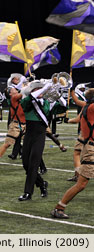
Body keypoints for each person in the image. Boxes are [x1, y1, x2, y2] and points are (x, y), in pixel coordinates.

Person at [50, 88, 94, 219]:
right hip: (91, 150)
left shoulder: (88, 106)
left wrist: (72, 92)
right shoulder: (91, 108)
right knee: (81, 184)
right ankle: (59, 208)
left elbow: (76, 101)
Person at [18, 80, 51, 201]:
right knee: (26, 164)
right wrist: (45, 87)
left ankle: (28, 192)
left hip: (40, 136)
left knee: (33, 164)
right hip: (29, 135)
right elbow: (31, 97)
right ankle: (42, 184)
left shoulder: (46, 102)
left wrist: (58, 91)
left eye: (40, 89)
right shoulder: (27, 102)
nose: (39, 91)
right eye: (36, 89)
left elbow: (63, 106)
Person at [0, 86, 25, 168]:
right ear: (10, 93)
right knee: (7, 144)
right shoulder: (13, 97)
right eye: (13, 89)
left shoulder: (18, 97)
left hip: (24, 124)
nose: (16, 89)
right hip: (16, 125)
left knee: (29, 144)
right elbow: (25, 92)